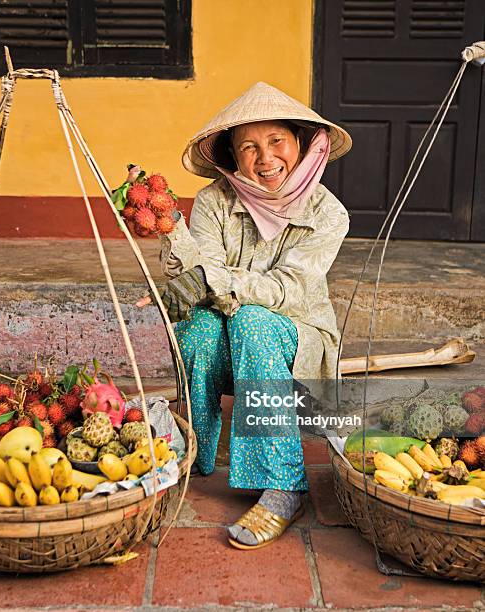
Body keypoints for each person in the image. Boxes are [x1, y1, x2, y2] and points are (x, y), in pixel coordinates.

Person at [139, 82, 352, 549]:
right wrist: (171, 228)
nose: (265, 158)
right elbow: (198, 271)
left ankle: (283, 483)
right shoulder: (215, 201)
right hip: (227, 319)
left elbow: (286, 289)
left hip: (297, 331)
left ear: (299, 141)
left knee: (251, 321)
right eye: (248, 147)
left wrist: (209, 282)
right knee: (195, 331)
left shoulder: (329, 212)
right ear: (233, 157)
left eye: (276, 141)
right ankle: (193, 451)